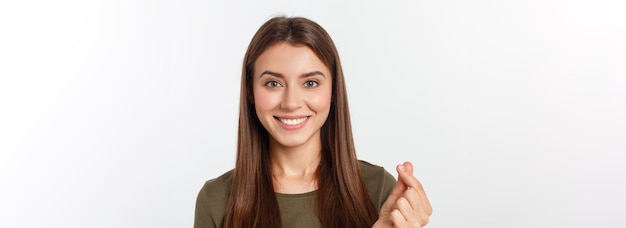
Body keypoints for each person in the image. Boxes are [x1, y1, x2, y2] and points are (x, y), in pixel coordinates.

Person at [194, 16, 432, 228]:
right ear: (250, 91)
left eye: (310, 83)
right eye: (273, 83)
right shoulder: (217, 200)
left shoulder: (378, 189)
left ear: (333, 91)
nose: (291, 102)